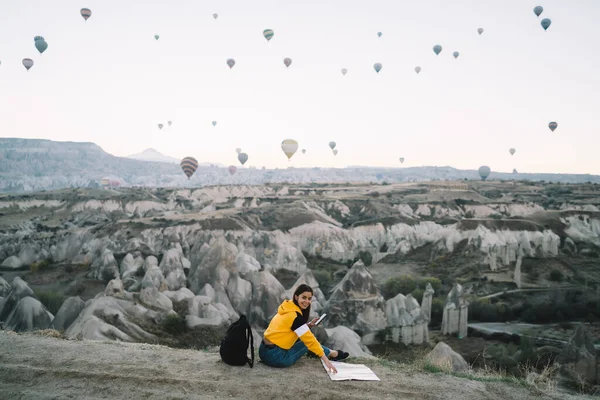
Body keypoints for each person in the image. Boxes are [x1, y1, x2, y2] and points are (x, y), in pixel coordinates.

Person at [260, 284, 349, 373]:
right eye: (304, 297)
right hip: (275, 357)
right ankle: (333, 354)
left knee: (302, 339)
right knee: (306, 343)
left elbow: (291, 329)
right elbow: (310, 340)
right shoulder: (295, 317)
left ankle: (329, 352)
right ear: (296, 297)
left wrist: (309, 325)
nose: (306, 301)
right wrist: (326, 361)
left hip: (263, 351)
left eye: (309, 299)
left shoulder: (287, 308)